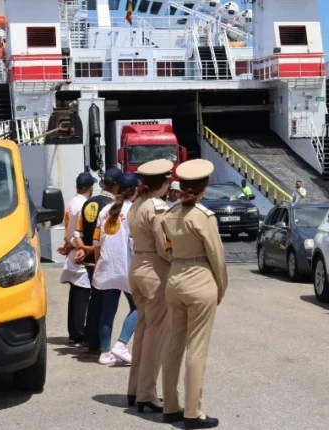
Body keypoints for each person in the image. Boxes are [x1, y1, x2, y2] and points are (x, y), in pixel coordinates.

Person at [161, 159, 227, 429]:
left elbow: (166, 248)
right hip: (200, 278)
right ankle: (193, 411)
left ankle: (170, 406)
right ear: (204, 186)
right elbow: (217, 256)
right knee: (196, 349)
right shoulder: (203, 216)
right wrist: (221, 287)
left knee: (173, 345)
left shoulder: (169, 214)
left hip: (175, 276)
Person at [126, 159, 173, 412]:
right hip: (154, 270)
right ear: (163, 183)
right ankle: (146, 393)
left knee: (144, 330)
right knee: (156, 334)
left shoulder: (136, 204)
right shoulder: (157, 206)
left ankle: (135, 389)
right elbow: (165, 245)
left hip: (137, 266)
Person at [73, 167, 123, 354]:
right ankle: (98, 342)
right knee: (104, 303)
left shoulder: (88, 202)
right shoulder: (112, 206)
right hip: (103, 258)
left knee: (95, 299)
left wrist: (82, 248)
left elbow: (77, 232)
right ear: (117, 185)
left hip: (88, 259)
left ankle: (89, 339)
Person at [92, 172, 140, 365]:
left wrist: (97, 267)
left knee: (108, 310)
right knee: (140, 306)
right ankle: (121, 344)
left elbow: (96, 243)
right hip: (126, 266)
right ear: (135, 191)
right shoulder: (133, 211)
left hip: (106, 265)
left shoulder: (105, 210)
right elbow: (134, 243)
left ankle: (104, 353)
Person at [58, 172, 95, 346]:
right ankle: (79, 334)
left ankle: (73, 332)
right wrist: (73, 245)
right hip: (80, 250)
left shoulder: (71, 203)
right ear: (91, 188)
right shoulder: (84, 205)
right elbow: (79, 232)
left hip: (72, 249)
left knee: (75, 294)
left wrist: (67, 245)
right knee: (82, 294)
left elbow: (69, 230)